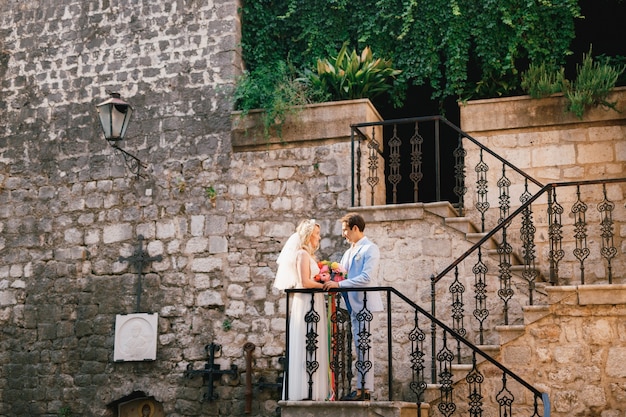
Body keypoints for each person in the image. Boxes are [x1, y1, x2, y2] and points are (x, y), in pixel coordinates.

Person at [323, 212, 383, 401]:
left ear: (355, 228)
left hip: (366, 306)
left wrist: (338, 285)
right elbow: (341, 274)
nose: (343, 235)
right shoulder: (348, 252)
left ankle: (364, 391)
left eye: (345, 230)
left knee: (365, 347)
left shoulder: (370, 249)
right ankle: (359, 389)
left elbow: (366, 277)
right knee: (359, 347)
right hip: (352, 307)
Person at [273, 219, 331, 401]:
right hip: (307, 303)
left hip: (314, 301)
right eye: (316, 234)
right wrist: (324, 284)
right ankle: (304, 391)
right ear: (308, 235)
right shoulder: (302, 255)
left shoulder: (309, 255)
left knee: (314, 342)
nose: (319, 237)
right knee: (308, 341)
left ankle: (315, 391)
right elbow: (304, 282)